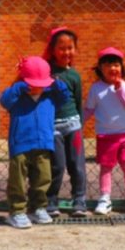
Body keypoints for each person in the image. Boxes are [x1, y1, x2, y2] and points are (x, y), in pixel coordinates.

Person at [0, 56, 72, 228]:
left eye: (42, 83)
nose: (38, 87)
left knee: (43, 178)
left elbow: (65, 97)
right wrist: (18, 87)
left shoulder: (50, 96)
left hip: (44, 143)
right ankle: (17, 211)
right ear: (24, 81)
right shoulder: (17, 96)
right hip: (20, 144)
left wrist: (57, 83)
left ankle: (38, 208)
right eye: (33, 83)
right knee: (17, 180)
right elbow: (4, 100)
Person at [83, 47, 125, 215]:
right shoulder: (96, 88)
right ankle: (105, 199)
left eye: (116, 65)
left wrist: (119, 89)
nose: (112, 68)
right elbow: (89, 109)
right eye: (108, 65)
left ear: (121, 68)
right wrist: (79, 123)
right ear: (100, 69)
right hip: (106, 136)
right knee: (106, 168)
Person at [42, 26, 88, 217]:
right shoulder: (46, 72)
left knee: (77, 165)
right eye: (61, 48)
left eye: (70, 48)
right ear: (53, 50)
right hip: (53, 128)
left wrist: (80, 125)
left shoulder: (74, 75)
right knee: (57, 166)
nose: (66, 52)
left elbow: (78, 101)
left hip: (73, 127)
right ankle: (51, 199)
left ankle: (79, 199)